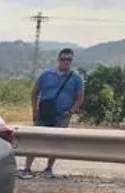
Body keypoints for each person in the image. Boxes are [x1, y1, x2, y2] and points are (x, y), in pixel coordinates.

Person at [18, 48, 85, 179]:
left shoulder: (76, 79)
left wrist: (71, 111)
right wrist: (35, 111)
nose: (66, 62)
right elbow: (34, 92)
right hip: (44, 114)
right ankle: (27, 168)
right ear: (59, 59)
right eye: (63, 59)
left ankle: (48, 168)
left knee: (55, 143)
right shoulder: (46, 75)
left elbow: (80, 98)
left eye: (69, 59)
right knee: (35, 141)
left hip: (62, 116)